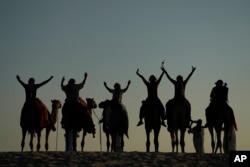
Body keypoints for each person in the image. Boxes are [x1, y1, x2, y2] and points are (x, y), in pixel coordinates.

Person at [161, 66, 196, 130]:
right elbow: (169, 78)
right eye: (178, 79)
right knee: (168, 104)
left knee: (188, 105)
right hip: (178, 98)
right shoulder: (179, 82)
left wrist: (192, 71)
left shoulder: (182, 82)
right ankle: (167, 115)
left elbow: (189, 76)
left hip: (180, 99)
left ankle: (188, 117)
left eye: (180, 79)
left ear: (181, 79)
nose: (179, 80)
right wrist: (165, 72)